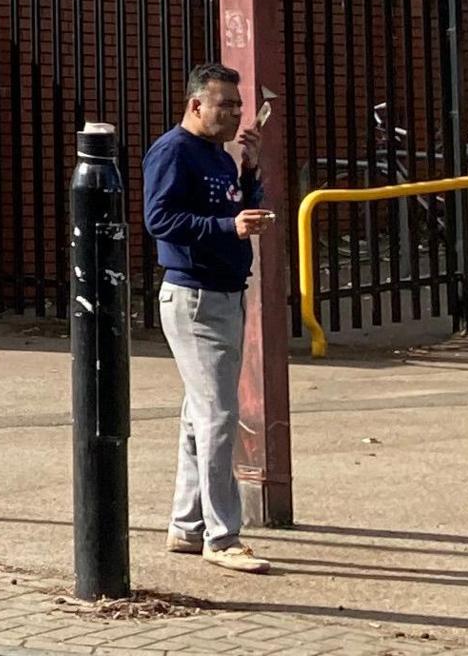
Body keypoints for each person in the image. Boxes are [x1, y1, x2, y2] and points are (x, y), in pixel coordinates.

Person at [145, 62, 276, 573]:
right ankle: (223, 538)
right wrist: (228, 226)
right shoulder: (173, 151)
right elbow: (160, 219)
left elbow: (237, 209)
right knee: (220, 417)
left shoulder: (222, 158)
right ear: (196, 104)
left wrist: (250, 175)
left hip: (224, 294)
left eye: (239, 106)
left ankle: (186, 525)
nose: (236, 113)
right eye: (226, 105)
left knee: (198, 417)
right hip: (195, 298)